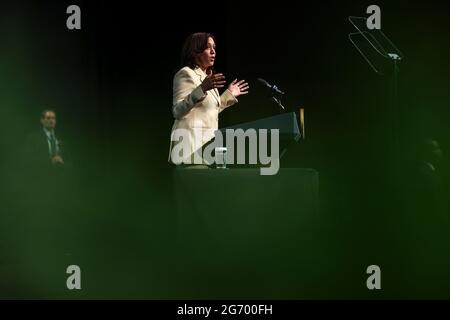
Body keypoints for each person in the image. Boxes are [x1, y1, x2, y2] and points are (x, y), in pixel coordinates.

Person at [168, 33, 249, 166]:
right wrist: (202, 88)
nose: (213, 51)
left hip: (207, 150)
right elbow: (177, 111)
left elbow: (210, 110)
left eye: (214, 48)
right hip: (190, 150)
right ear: (196, 52)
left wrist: (229, 94)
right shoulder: (186, 73)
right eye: (208, 47)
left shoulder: (208, 78)